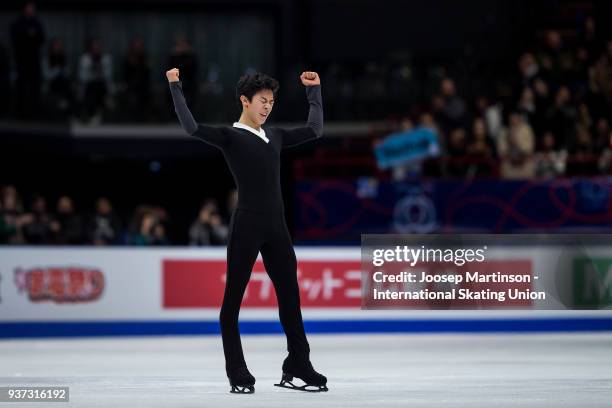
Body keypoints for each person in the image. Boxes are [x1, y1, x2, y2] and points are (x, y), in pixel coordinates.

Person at [167, 67, 327, 394]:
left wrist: (314, 92)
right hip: (248, 225)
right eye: (262, 101)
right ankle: (237, 371)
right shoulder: (230, 136)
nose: (268, 107)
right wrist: (175, 86)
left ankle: (299, 363)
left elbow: (315, 129)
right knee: (232, 303)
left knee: (290, 299)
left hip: (277, 226)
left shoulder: (276, 136)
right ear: (245, 101)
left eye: (271, 102)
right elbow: (191, 126)